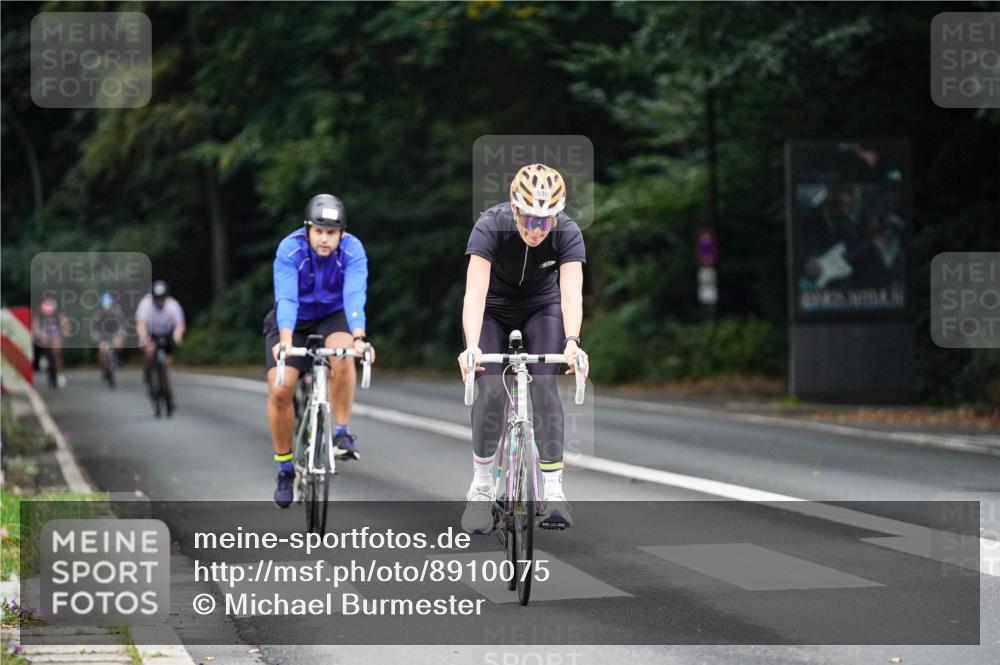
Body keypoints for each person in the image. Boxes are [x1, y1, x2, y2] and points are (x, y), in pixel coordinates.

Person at [457, 163, 588, 533]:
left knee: (545, 385)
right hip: (493, 310)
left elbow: (571, 294)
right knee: (492, 388)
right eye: (528, 219)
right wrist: (471, 347)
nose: (535, 230)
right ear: (514, 209)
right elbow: (474, 293)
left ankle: (553, 491)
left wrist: (573, 342)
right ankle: (482, 487)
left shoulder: (568, 232)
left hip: (541, 307)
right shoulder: (489, 224)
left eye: (544, 222)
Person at [265, 193, 375, 508]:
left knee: (343, 356)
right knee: (281, 388)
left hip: (332, 317)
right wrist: (285, 339)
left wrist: (359, 338)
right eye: (318, 231)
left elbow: (355, 293)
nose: (324, 239)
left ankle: (341, 432)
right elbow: (286, 298)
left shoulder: (352, 250)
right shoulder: (291, 249)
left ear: (342, 233)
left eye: (331, 232)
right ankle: (285, 468)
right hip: (293, 321)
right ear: (308, 230)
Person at [135, 281, 186, 415]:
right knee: (149, 352)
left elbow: (179, 324)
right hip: (151, 334)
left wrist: (177, 336)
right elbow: (141, 323)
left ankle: (169, 392)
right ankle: (148, 375)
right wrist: (143, 338)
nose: (159, 301)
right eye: (157, 298)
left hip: (166, 335)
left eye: (162, 298)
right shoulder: (145, 305)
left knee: (166, 363)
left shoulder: (173, 306)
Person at [32, 296, 71, 388]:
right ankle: (43, 357)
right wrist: (38, 335)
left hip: (56, 337)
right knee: (42, 344)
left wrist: (66, 332)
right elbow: (35, 328)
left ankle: (59, 373)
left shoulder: (59, 316)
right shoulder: (39, 317)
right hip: (44, 337)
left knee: (57, 352)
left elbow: (66, 325)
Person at [90, 292, 127, 387]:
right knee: (102, 349)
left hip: (115, 332)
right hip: (102, 334)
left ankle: (119, 360)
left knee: (118, 344)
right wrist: (94, 335)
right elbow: (94, 328)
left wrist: (122, 333)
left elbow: (122, 325)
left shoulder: (117, 311)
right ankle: (103, 368)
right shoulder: (98, 313)